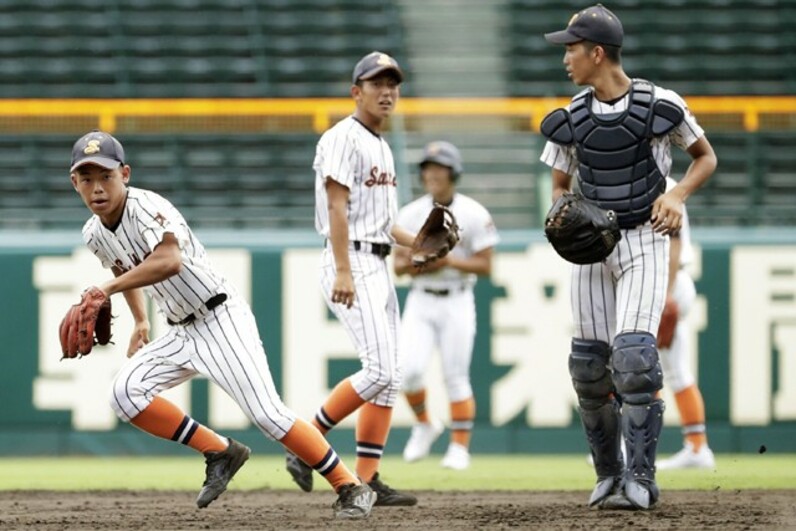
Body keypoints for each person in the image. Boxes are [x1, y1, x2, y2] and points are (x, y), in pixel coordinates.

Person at [68, 130, 376, 519]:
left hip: (219, 317)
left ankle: (350, 486)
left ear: (125, 174)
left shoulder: (147, 207)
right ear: (74, 182)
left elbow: (169, 261)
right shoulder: (94, 232)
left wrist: (106, 289)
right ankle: (220, 450)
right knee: (125, 394)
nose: (98, 187)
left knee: (268, 414)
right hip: (180, 329)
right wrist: (141, 321)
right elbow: (120, 265)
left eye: (106, 176)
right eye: (88, 178)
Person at [540, 4, 717, 510]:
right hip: (592, 252)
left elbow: (705, 156)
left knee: (635, 360)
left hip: (643, 239)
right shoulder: (572, 116)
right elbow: (559, 184)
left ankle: (642, 478)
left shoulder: (660, 104)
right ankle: (608, 475)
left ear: (598, 53)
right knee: (589, 367)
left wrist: (677, 195)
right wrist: (563, 212)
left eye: (572, 49)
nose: (566, 58)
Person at [284, 51, 419, 506]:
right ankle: (306, 442)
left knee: (392, 375)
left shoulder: (381, 144)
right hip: (352, 262)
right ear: (356, 91)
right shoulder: (343, 137)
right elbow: (337, 208)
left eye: (392, 84)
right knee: (379, 369)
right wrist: (343, 268)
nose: (386, 92)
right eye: (377, 83)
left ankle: (367, 478)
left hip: (376, 260)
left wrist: (417, 243)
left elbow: (383, 221)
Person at [394, 141, 499, 471]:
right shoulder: (411, 213)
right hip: (422, 296)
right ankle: (425, 423)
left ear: (453, 172)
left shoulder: (474, 212)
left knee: (456, 376)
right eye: (428, 168)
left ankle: (459, 448)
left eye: (439, 168)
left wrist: (449, 260)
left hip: (457, 297)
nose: (432, 174)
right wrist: (425, 261)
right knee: (408, 371)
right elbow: (398, 266)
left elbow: (486, 266)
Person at [657, 178, 715, 470]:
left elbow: (673, 245)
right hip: (665, 285)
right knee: (667, 369)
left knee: (646, 367)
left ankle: (695, 447)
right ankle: (696, 445)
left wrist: (665, 296)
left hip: (667, 284)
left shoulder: (663, 184)